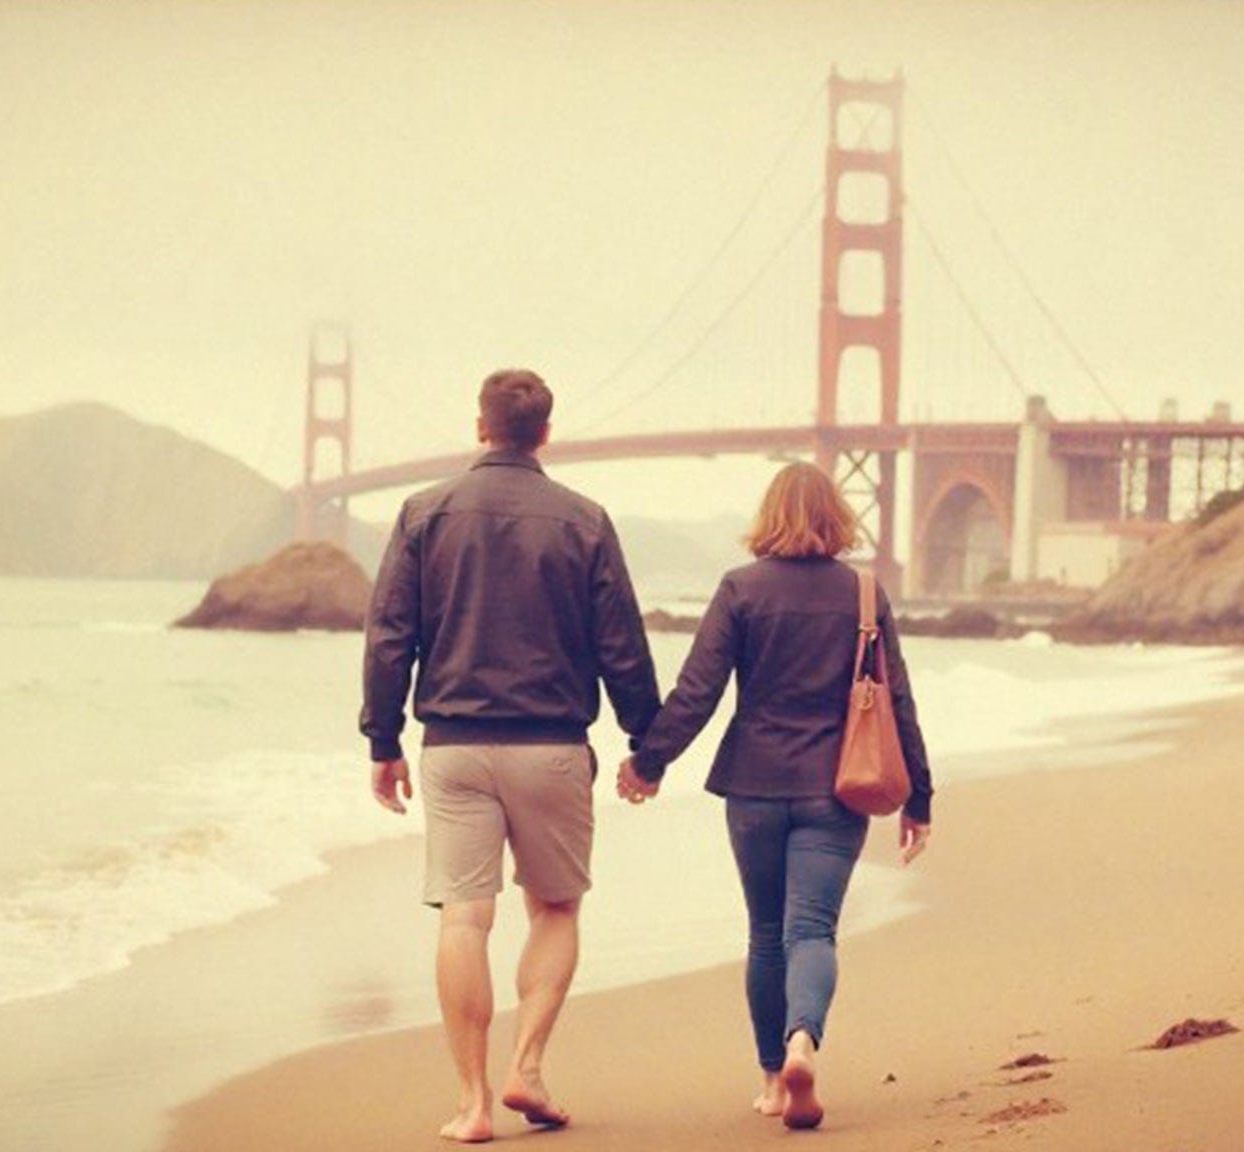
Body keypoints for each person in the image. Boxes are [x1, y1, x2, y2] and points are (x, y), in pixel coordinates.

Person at [361, 368, 661, 1143]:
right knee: (555, 908)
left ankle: (472, 1105)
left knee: (464, 919)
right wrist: (646, 744)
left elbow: (391, 634)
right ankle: (526, 1065)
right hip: (552, 746)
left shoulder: (424, 512)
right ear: (545, 433)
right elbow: (620, 644)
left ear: (481, 426)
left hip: (454, 747)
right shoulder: (584, 519)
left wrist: (383, 738)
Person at [617, 461, 933, 1132]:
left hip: (755, 788)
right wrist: (920, 798)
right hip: (837, 790)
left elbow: (697, 691)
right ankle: (802, 1044)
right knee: (811, 930)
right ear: (836, 518)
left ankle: (769, 1079)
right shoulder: (865, 596)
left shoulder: (740, 589)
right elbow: (896, 699)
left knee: (765, 934)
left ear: (768, 516)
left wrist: (650, 761)